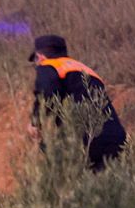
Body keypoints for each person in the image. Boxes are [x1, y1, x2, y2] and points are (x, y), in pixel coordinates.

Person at [28, 34, 127, 170]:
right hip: (115, 137)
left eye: (35, 61)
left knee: (75, 183)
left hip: (85, 138)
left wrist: (36, 122)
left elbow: (47, 92)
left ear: (40, 57)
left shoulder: (49, 65)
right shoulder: (84, 69)